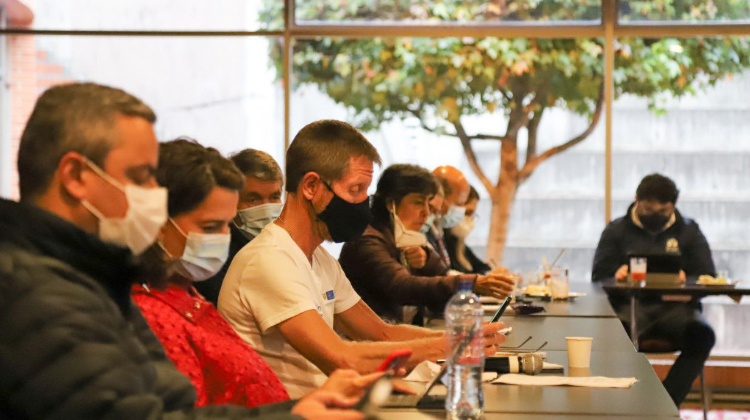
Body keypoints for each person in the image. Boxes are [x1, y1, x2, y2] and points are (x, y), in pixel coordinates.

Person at [0, 82, 363, 420]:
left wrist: (295, 412)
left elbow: (173, 410)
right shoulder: (34, 293)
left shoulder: (95, 279)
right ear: (76, 176)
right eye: (140, 177)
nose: (155, 196)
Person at [218, 120, 507, 398]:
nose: (363, 204)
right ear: (311, 186)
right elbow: (342, 358)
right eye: (356, 190)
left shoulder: (320, 259)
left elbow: (382, 334)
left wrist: (463, 337)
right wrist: (450, 345)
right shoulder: (269, 259)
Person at [592, 173, 716, 407]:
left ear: (674, 206)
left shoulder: (689, 231)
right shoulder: (616, 230)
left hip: (678, 312)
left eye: (663, 211)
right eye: (648, 210)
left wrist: (687, 280)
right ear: (636, 200)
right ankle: (620, 404)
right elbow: (598, 278)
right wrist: (616, 276)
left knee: (703, 335)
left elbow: (708, 276)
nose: (655, 215)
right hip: (629, 311)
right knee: (609, 335)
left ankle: (664, 405)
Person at [339, 164, 514, 324]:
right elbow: (403, 287)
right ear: (391, 203)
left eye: (428, 204)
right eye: (418, 203)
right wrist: (471, 283)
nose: (426, 212)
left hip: (398, 335)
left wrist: (426, 258)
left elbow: (442, 275)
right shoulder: (366, 240)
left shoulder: (405, 238)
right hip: (373, 340)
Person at [196, 148, 284, 305]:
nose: (266, 209)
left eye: (274, 197)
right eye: (253, 199)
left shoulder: (289, 245)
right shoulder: (215, 258)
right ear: (230, 202)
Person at [444, 186, 492, 274]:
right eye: (468, 212)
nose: (470, 219)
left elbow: (480, 267)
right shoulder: (442, 240)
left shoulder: (459, 242)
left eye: (472, 215)